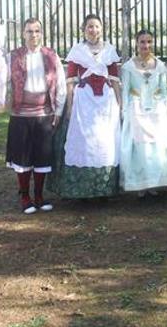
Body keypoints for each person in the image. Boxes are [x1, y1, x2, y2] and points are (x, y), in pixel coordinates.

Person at [49, 14, 121, 199]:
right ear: (83, 29)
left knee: (105, 141)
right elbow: (71, 82)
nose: (93, 30)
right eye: (90, 26)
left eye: (96, 26)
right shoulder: (77, 51)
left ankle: (104, 188)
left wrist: (119, 105)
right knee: (85, 142)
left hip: (105, 101)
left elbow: (114, 80)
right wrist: (70, 107)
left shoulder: (109, 50)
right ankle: (83, 190)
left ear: (101, 29)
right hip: (84, 100)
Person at [5, 18, 67, 213]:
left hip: (44, 114)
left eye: (37, 31)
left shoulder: (51, 55)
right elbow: (1, 81)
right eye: (29, 31)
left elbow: (61, 85)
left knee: (42, 157)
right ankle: (25, 197)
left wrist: (58, 111)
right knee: (23, 157)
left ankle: (39, 196)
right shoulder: (12, 56)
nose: (33, 35)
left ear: (42, 33)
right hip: (20, 115)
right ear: (23, 34)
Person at [119, 30, 167, 194]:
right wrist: (125, 112)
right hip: (137, 108)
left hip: (157, 107)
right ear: (136, 43)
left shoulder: (159, 65)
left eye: (149, 42)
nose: (146, 45)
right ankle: (141, 184)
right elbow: (126, 92)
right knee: (141, 146)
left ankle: (155, 182)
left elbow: (164, 91)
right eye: (142, 42)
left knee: (158, 145)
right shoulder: (128, 67)